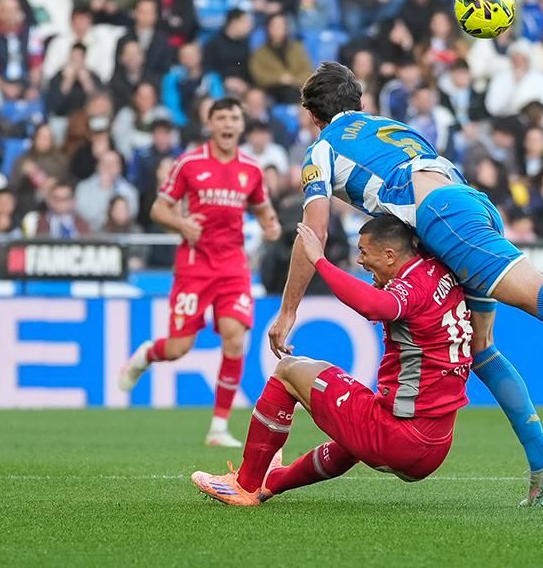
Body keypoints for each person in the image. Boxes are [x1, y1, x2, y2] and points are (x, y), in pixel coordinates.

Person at [270, 62, 543, 505]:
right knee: (480, 348)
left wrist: (287, 312)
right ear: (359, 101)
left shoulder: (322, 149)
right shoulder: (390, 126)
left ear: (312, 115)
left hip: (444, 217)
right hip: (468, 204)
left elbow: (314, 234)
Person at [190, 216, 477, 506]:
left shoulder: (412, 288)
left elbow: (373, 306)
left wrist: (319, 260)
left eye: (364, 252)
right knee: (354, 430)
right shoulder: (438, 268)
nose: (360, 260)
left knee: (288, 370)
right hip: (435, 445)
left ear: (390, 255)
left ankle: (245, 485)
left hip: (400, 438)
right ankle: (273, 481)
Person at [117, 98, 282, 448]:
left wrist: (271, 225)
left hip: (233, 266)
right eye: (221, 118)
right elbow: (159, 209)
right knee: (179, 347)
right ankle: (147, 354)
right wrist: (181, 224)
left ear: (241, 125)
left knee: (234, 337)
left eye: (234, 118)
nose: (228, 124)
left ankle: (218, 428)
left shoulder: (251, 169)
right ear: (210, 124)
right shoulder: (190, 163)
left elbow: (263, 209)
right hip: (195, 266)